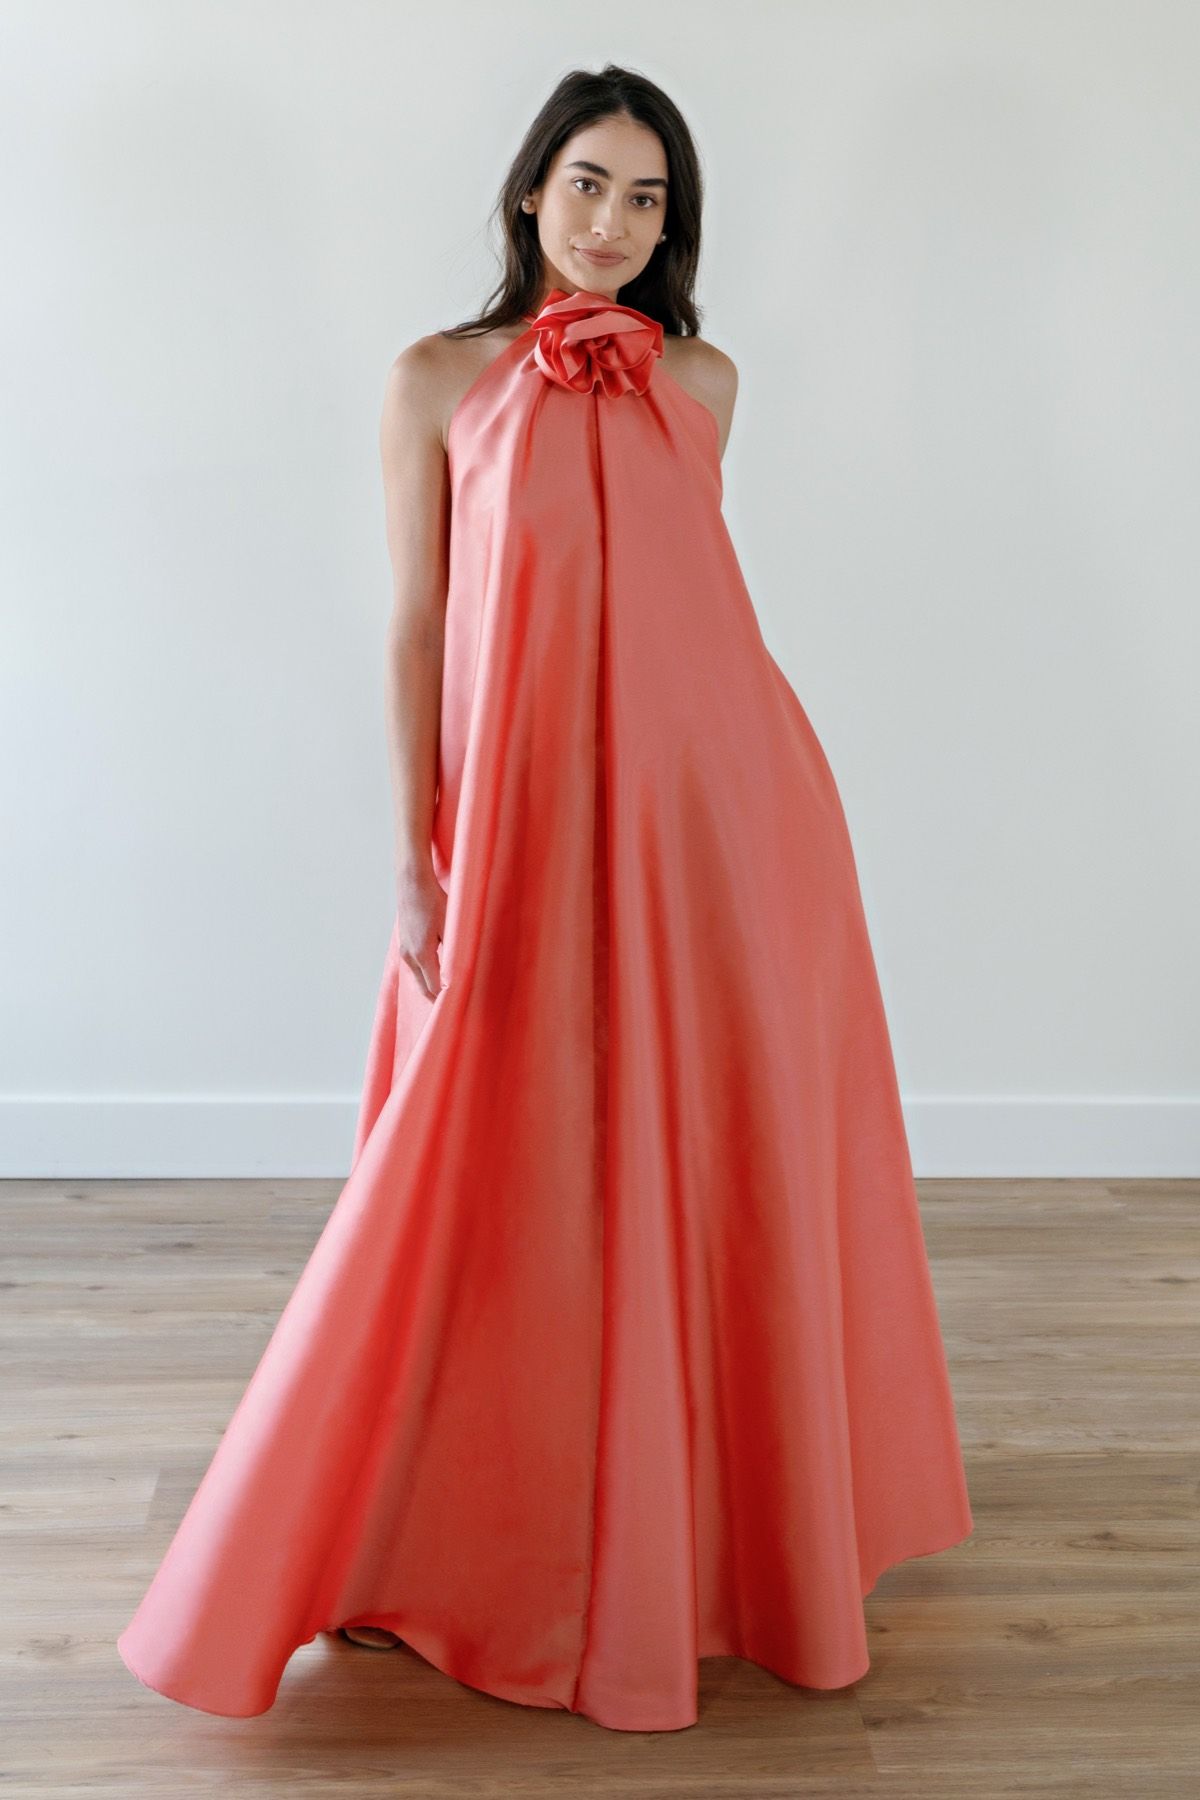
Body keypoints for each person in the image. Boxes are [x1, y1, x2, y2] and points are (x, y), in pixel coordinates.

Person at [117, 63, 973, 1734]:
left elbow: (697, 627)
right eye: (589, 185)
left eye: (650, 200)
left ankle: (728, 1537)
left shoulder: (707, 382)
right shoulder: (437, 380)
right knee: (472, 1175)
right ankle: (411, 1530)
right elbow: (417, 629)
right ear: (528, 192)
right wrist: (413, 854)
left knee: (702, 1168)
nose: (614, 225)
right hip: (516, 826)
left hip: (727, 832)